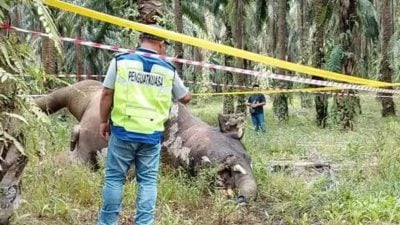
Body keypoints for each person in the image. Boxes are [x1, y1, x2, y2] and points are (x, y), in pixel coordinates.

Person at [97, 24, 191, 225]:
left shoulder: (121, 61)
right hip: (151, 135)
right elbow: (185, 98)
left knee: (114, 179)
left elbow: (106, 93)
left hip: (123, 132)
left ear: (141, 39)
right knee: (147, 182)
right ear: (161, 43)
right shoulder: (168, 70)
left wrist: (103, 122)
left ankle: (107, 222)